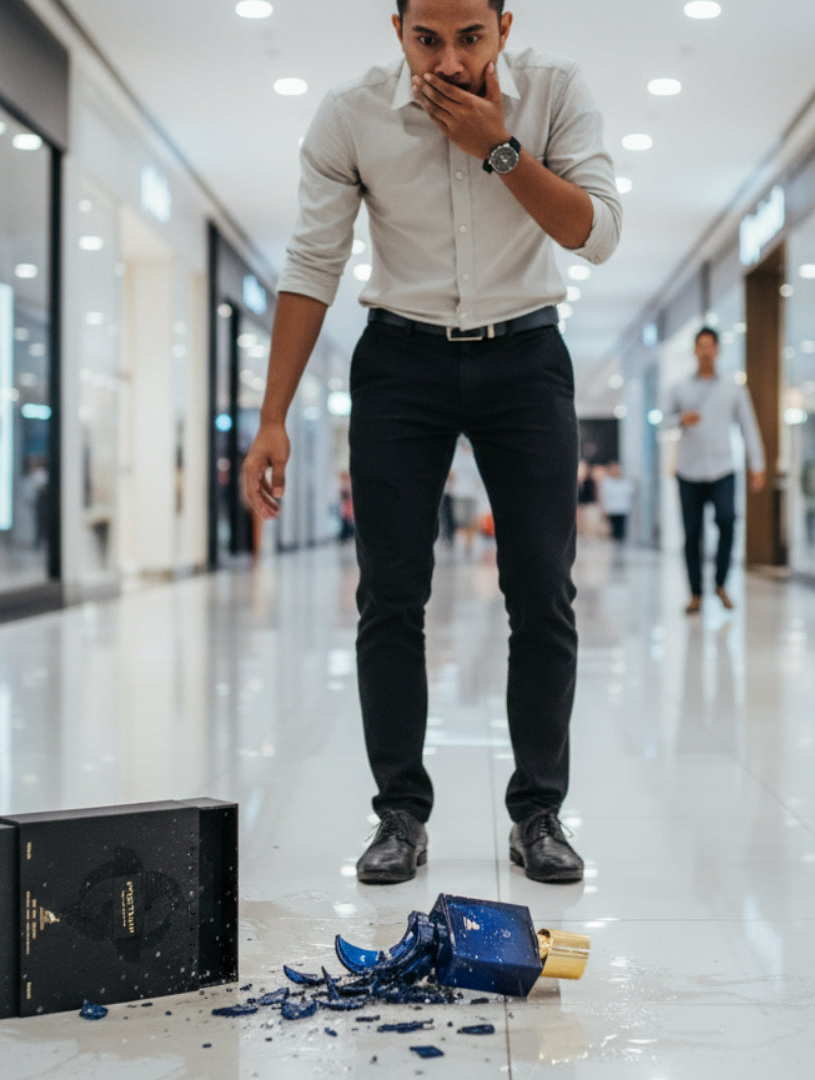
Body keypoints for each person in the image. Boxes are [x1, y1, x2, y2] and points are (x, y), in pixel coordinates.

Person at [241, 0, 621, 885]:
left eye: (470, 38)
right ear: (396, 30)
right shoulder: (350, 113)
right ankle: (400, 816)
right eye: (426, 39)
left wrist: (498, 146)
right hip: (400, 361)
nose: (447, 61)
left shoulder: (558, 93)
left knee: (541, 592)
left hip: (526, 354)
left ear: (506, 27)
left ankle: (539, 814)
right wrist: (272, 417)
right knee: (391, 595)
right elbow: (312, 263)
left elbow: (594, 233)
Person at [667, 328, 765, 614]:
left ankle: (720, 583)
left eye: (711, 346)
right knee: (692, 534)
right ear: (695, 351)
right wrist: (680, 420)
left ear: (718, 350)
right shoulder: (680, 388)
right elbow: (662, 422)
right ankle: (696, 593)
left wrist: (757, 465)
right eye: (701, 347)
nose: (706, 352)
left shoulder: (733, 387)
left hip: (723, 469)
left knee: (727, 521)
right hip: (688, 471)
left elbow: (748, 426)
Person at [446, 437, 484, 555]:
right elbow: (451, 473)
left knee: (471, 520)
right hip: (459, 493)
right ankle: (457, 542)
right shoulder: (457, 454)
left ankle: (468, 544)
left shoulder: (472, 456)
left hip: (472, 493)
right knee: (461, 520)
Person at [598, 461, 633, 541]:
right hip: (612, 509)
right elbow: (603, 497)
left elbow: (630, 493)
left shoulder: (625, 482)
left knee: (622, 529)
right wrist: (604, 509)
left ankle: (621, 543)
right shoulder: (606, 483)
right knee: (614, 529)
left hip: (623, 509)